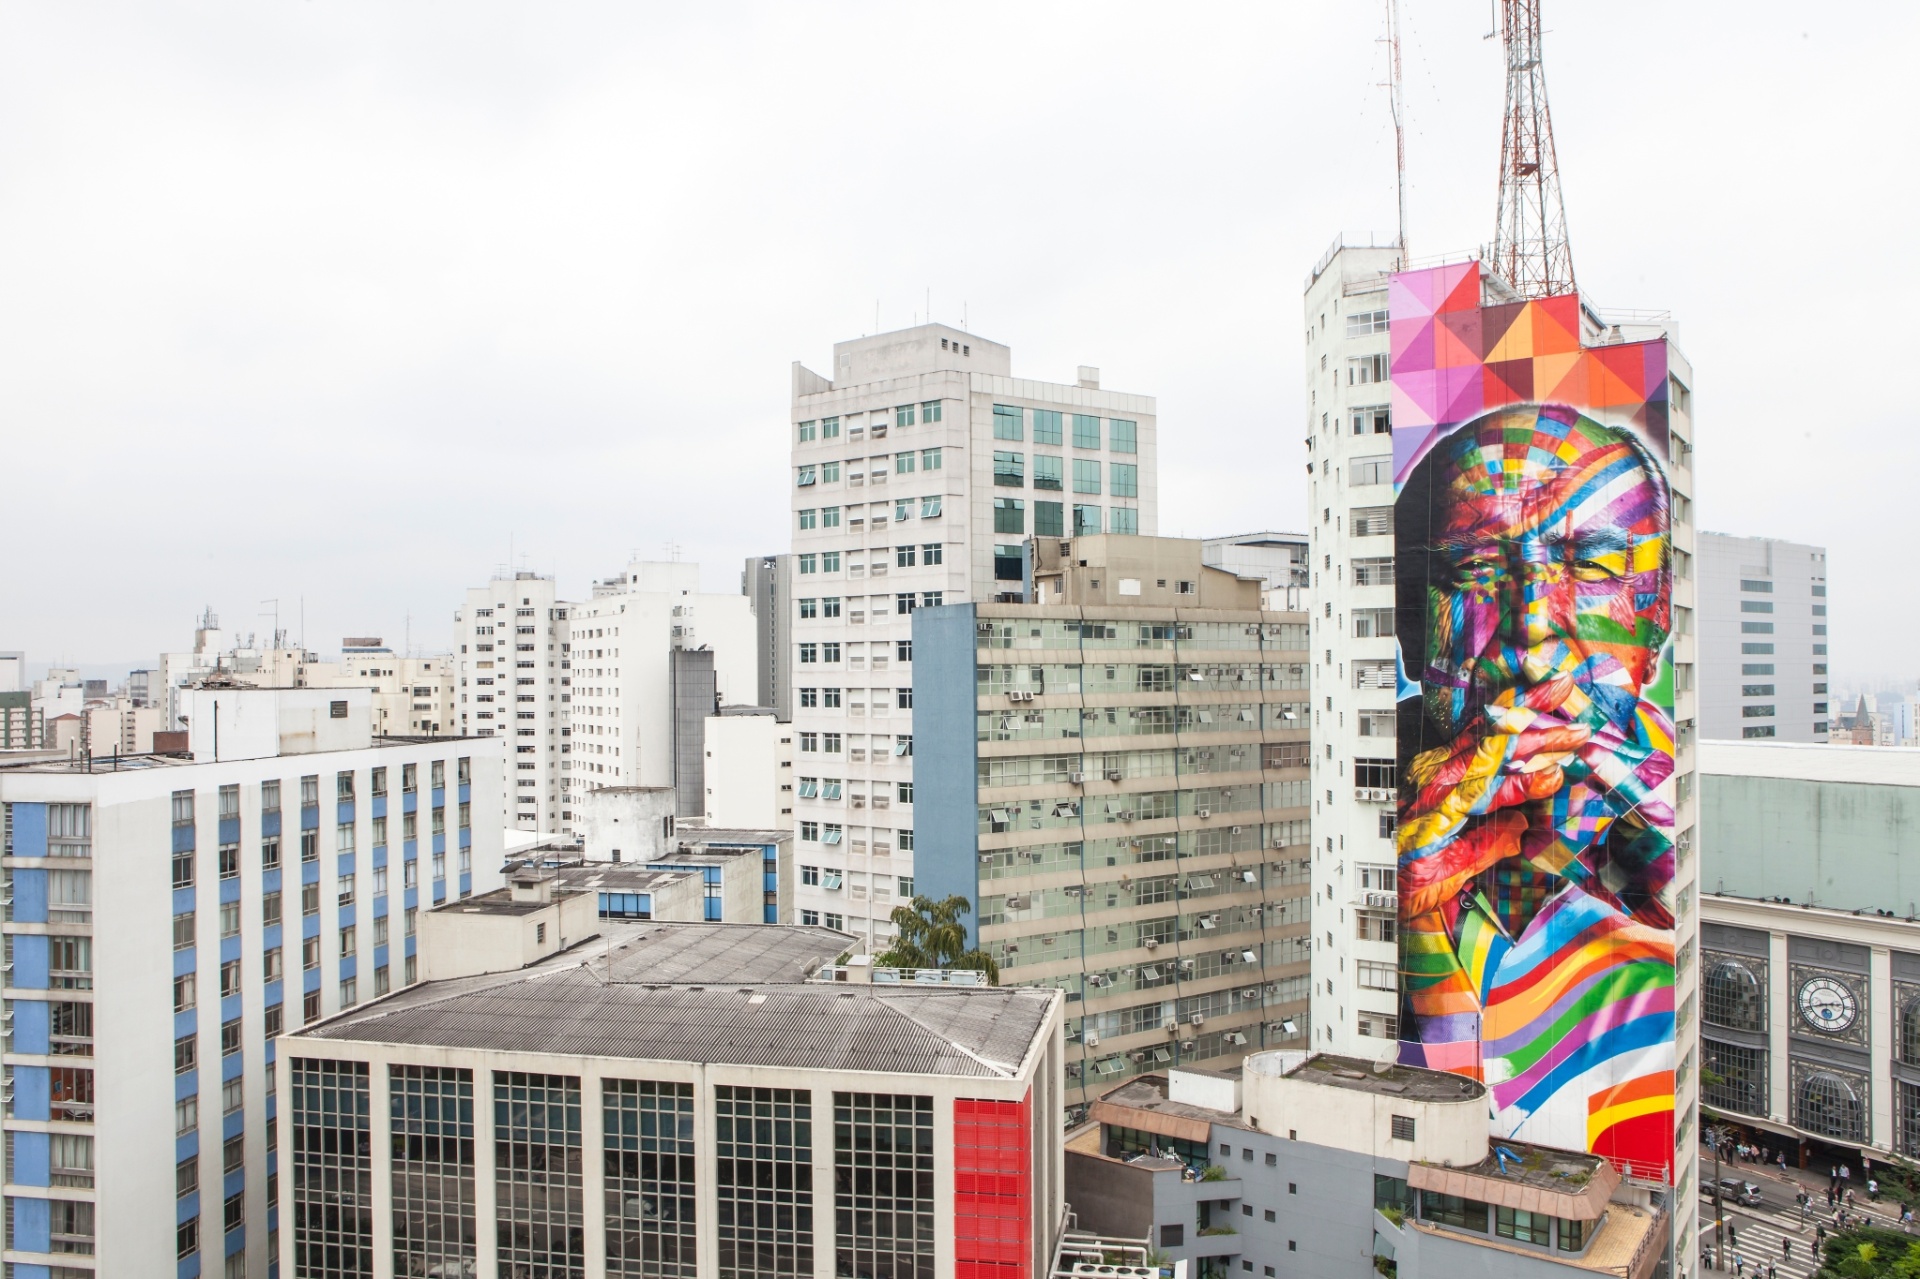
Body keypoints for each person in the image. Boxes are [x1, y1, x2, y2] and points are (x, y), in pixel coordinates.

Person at [1395, 407, 1677, 1166]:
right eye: (1476, 572)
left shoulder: (1673, 820)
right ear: (1413, 631)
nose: (1532, 624)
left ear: (1655, 615)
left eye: (1589, 566)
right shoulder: (1388, 802)